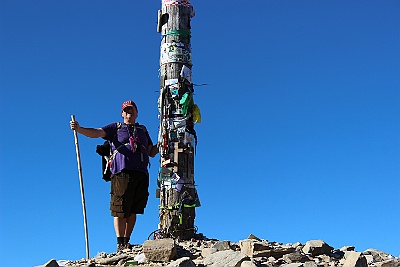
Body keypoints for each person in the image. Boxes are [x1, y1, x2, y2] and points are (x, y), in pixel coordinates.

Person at [70, 100, 158, 251]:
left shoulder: (143, 130)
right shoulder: (116, 127)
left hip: (142, 172)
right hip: (121, 171)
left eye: (132, 110)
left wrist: (163, 143)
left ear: (137, 113)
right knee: (120, 207)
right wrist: (79, 129)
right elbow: (97, 132)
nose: (129, 112)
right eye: (126, 110)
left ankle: (126, 241)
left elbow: (151, 152)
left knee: (134, 209)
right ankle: (120, 243)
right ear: (122, 113)